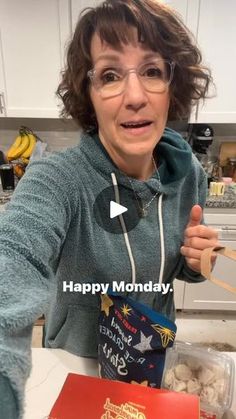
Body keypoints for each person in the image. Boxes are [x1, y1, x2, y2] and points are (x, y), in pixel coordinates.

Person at [0, 0, 219, 417]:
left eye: (153, 71)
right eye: (110, 75)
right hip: (75, 368)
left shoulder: (187, 170)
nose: (135, 96)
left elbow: (180, 266)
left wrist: (197, 260)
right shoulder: (58, 179)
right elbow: (13, 256)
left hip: (153, 359)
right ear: (90, 94)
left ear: (173, 86)